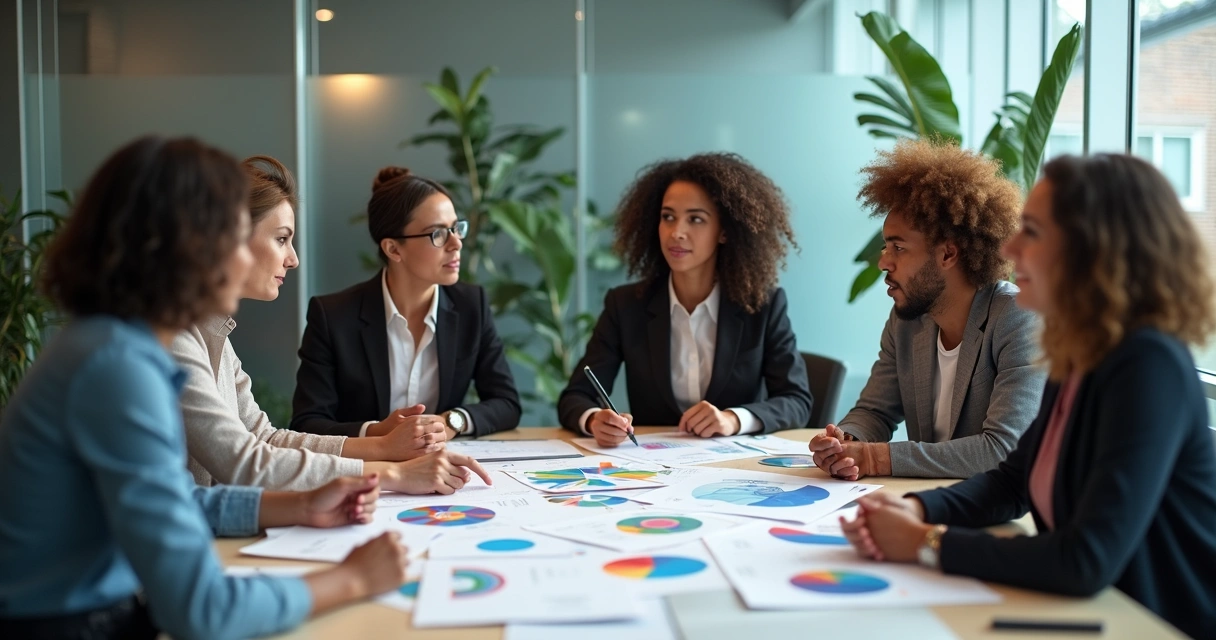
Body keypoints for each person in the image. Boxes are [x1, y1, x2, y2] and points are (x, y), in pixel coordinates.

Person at [0, 136, 410, 639]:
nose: (287, 259)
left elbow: (177, 499)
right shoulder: (117, 368)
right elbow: (202, 610)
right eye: (240, 236)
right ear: (190, 245)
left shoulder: (113, 344)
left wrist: (300, 505)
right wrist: (352, 578)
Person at [841, 153, 1216, 639]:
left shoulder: (1149, 365)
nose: (1012, 246)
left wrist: (926, 543)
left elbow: (1085, 559)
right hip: (1096, 616)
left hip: (1158, 625)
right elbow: (1010, 482)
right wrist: (917, 509)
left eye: (1033, 232)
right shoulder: (1081, 352)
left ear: (1092, 250)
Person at [173, 155, 487, 493]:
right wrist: (391, 474)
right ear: (229, 238)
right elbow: (246, 463)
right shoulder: (176, 339)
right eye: (282, 239)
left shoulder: (214, 334)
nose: (293, 259)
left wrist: (383, 447)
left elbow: (265, 437)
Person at [810, 139, 1045, 479]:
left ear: (948, 255)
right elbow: (875, 412)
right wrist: (845, 441)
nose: (882, 262)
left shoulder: (1017, 319)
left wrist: (876, 459)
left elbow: (1002, 450)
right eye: (885, 246)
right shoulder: (907, 321)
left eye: (899, 247)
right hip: (927, 502)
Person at [558, 152, 812, 446]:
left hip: (736, 469)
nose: (677, 232)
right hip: (651, 468)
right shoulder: (625, 305)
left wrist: (733, 419)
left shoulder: (763, 305)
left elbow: (796, 401)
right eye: (668, 217)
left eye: (696, 219)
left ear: (725, 232)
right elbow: (574, 397)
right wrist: (593, 419)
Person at [292, 167, 521, 439]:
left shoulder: (472, 306)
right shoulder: (334, 316)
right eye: (438, 234)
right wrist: (378, 433)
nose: (456, 243)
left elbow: (506, 403)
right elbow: (307, 422)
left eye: (456, 229)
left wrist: (451, 422)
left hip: (438, 465)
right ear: (393, 248)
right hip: (367, 470)